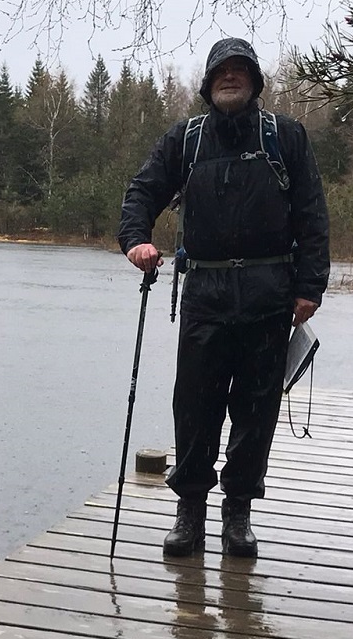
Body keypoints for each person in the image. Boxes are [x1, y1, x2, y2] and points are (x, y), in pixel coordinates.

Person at [118, 38, 331, 559]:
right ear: (208, 83)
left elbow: (312, 213)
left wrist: (310, 286)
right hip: (205, 296)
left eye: (240, 70)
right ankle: (189, 512)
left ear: (254, 82)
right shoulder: (185, 139)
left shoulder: (285, 136)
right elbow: (141, 192)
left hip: (269, 297)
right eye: (221, 71)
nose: (230, 77)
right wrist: (136, 241)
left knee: (256, 413)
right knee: (195, 409)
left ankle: (238, 514)